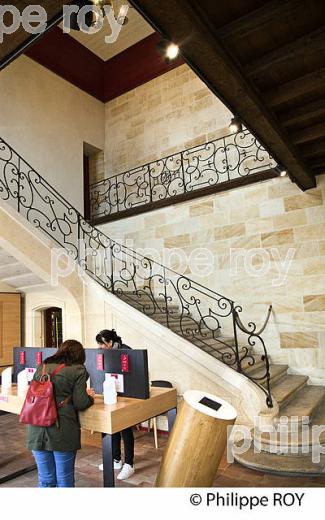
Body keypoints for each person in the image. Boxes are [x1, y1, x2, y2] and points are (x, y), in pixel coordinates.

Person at [27, 340, 95, 488]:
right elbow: (81, 403)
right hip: (61, 431)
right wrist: (90, 397)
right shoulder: (78, 370)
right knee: (64, 480)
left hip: (37, 430)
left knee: (45, 480)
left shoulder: (42, 367)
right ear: (80, 354)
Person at [96, 329, 135, 481]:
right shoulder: (105, 354)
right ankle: (116, 460)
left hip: (126, 397)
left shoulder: (127, 351)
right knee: (112, 429)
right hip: (111, 395)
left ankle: (129, 463)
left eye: (102, 344)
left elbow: (135, 373)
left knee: (125, 429)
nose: (99, 347)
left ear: (110, 342)